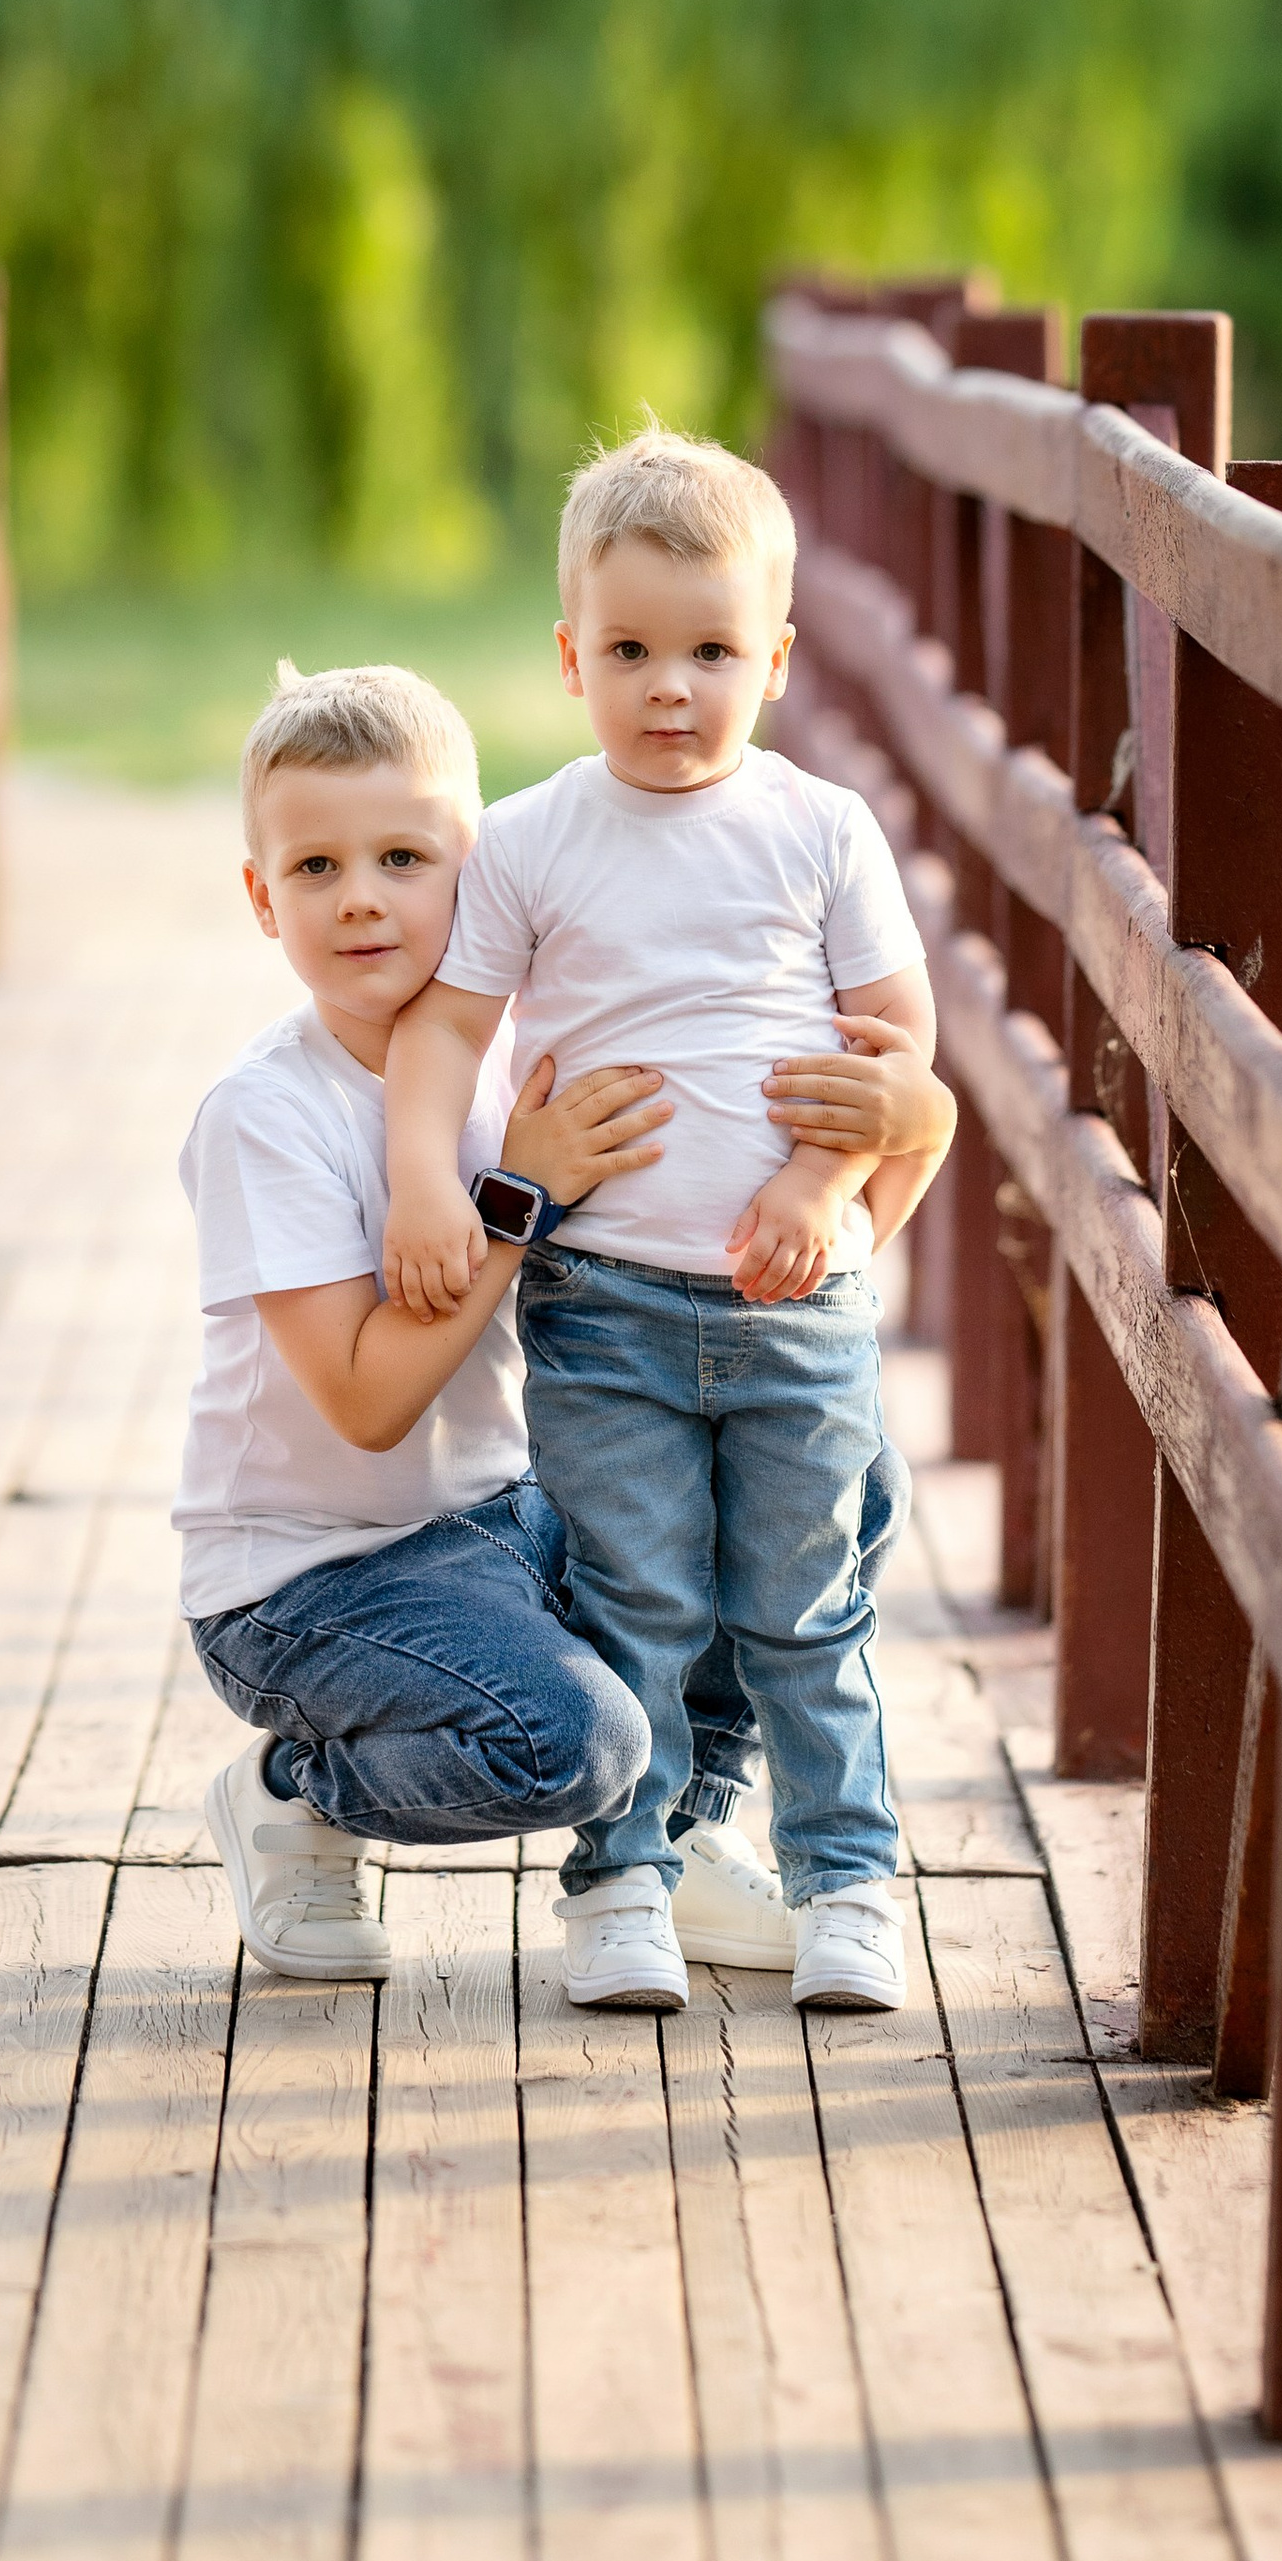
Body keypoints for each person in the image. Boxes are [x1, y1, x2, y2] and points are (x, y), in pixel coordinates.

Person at [182, 656, 942, 1987]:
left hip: (493, 1517)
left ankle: (678, 1834)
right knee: (564, 1741)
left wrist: (910, 1123)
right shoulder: (270, 1117)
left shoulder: (509, 1073)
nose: (361, 898)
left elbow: (762, 1224)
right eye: (314, 871)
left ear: (477, 870)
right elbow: (366, 1402)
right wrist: (519, 1199)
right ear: (262, 899)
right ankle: (294, 1797)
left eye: (404, 857)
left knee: (834, 1478)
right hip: (313, 1577)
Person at [382, 428, 950, 2019]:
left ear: (773, 658)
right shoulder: (536, 837)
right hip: (606, 1301)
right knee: (636, 1599)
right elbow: (443, 1030)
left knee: (804, 1609)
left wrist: (818, 1185)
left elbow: (894, 1055)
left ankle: (847, 1882)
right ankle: (621, 1882)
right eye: (630, 650)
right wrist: (438, 1178)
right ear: (573, 657)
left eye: (711, 651)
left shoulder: (820, 830)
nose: (670, 688)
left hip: (793, 1307)